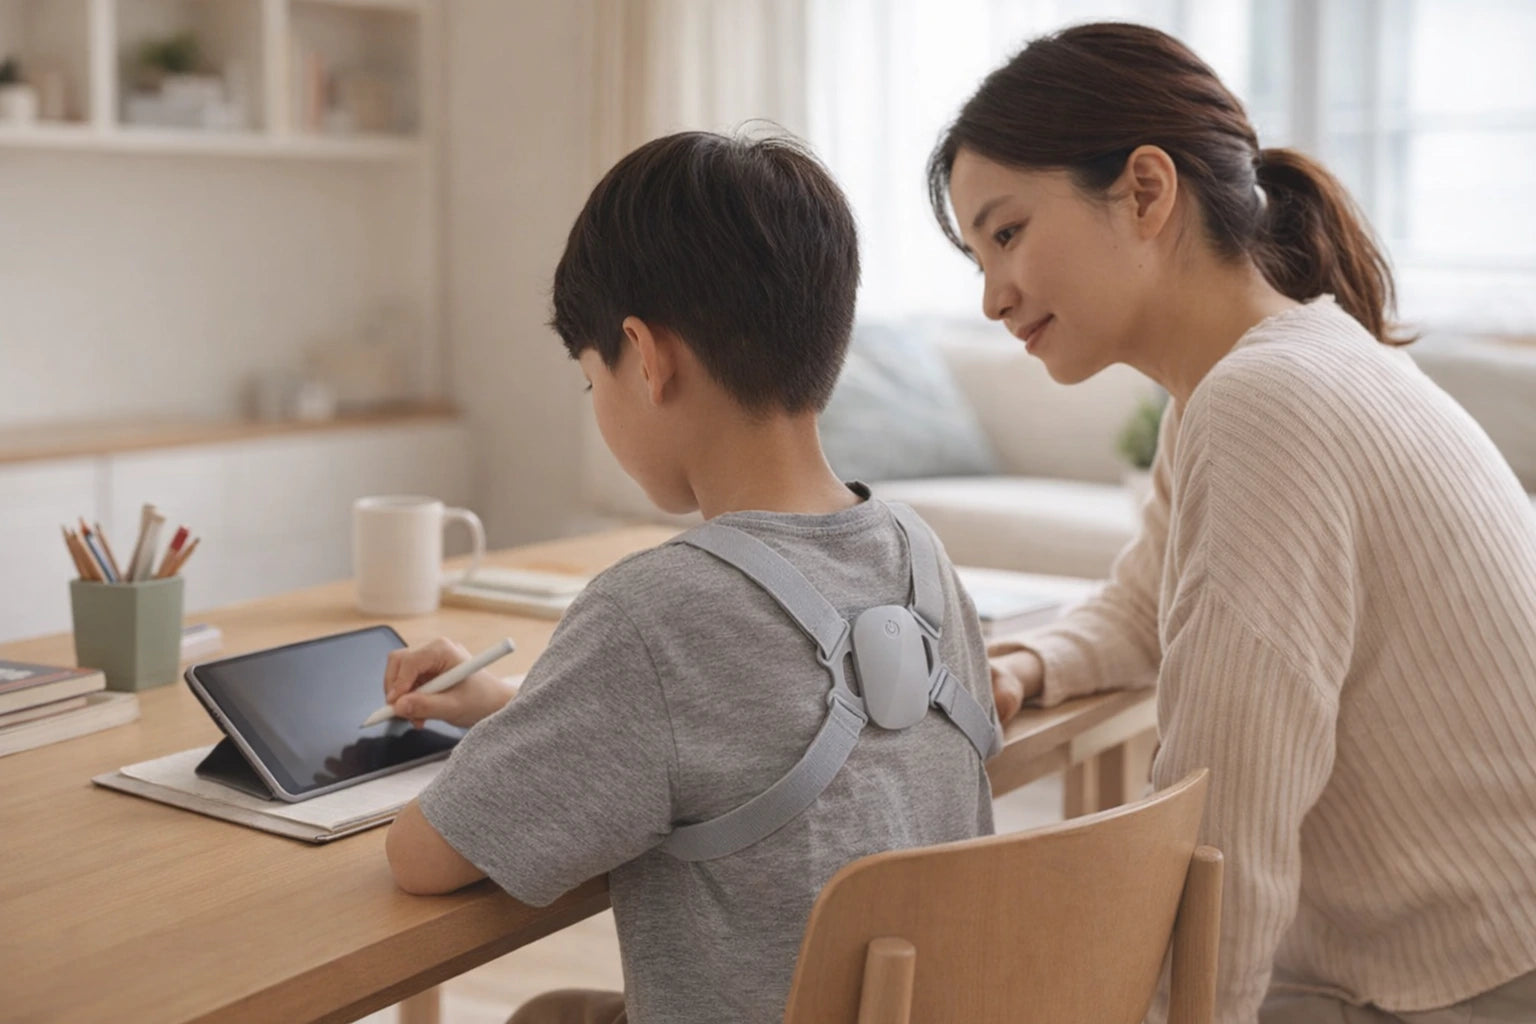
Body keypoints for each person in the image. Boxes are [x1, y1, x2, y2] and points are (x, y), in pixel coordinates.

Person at [927, 21, 1536, 1024]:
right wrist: (1030, 666)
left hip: (1462, 977)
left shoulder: (1267, 404)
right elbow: (1145, 607)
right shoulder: (1264, 368)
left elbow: (1224, 835)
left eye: (1007, 233)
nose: (992, 294)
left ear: (1147, 192)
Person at [381, 130, 999, 1024]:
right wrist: (522, 708)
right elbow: (743, 718)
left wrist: (496, 760)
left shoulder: (653, 612)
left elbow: (426, 856)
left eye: (592, 382)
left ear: (646, 356)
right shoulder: (920, 557)